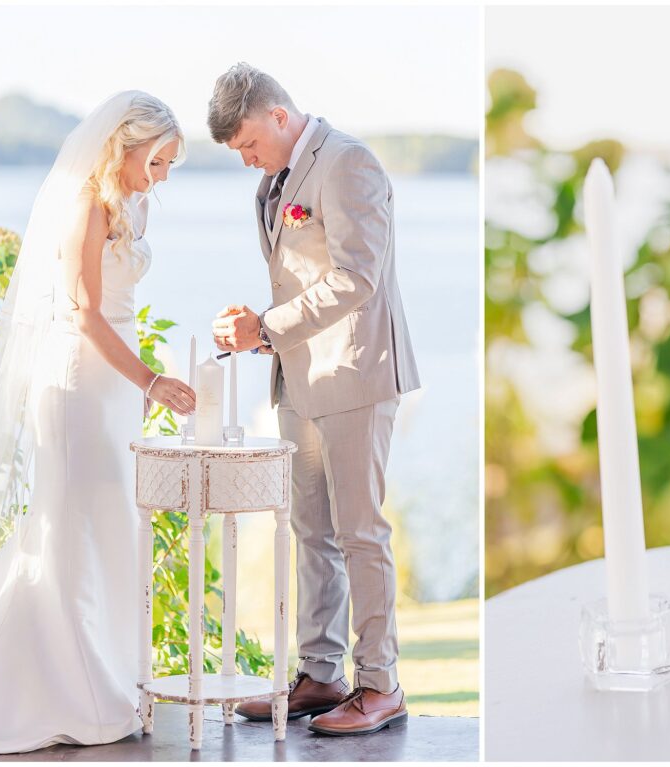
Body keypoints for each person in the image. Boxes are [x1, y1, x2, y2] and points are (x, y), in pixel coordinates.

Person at [0, 91, 194, 753]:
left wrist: (140, 385)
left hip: (115, 389)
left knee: (106, 527)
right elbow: (84, 313)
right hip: (77, 389)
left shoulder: (134, 204)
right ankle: (65, 692)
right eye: (156, 160)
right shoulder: (86, 206)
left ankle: (102, 676)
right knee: (67, 530)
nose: (159, 176)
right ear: (126, 144)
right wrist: (150, 378)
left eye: (168, 166)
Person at [207, 62, 420, 736]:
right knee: (311, 532)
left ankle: (380, 684)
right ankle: (322, 672)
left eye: (247, 144)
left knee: (360, 533)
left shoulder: (348, 163)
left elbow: (357, 277)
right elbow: (302, 276)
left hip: (357, 374)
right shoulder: (275, 182)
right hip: (300, 379)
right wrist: (259, 329)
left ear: (278, 115)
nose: (246, 161)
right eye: (237, 153)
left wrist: (267, 326)